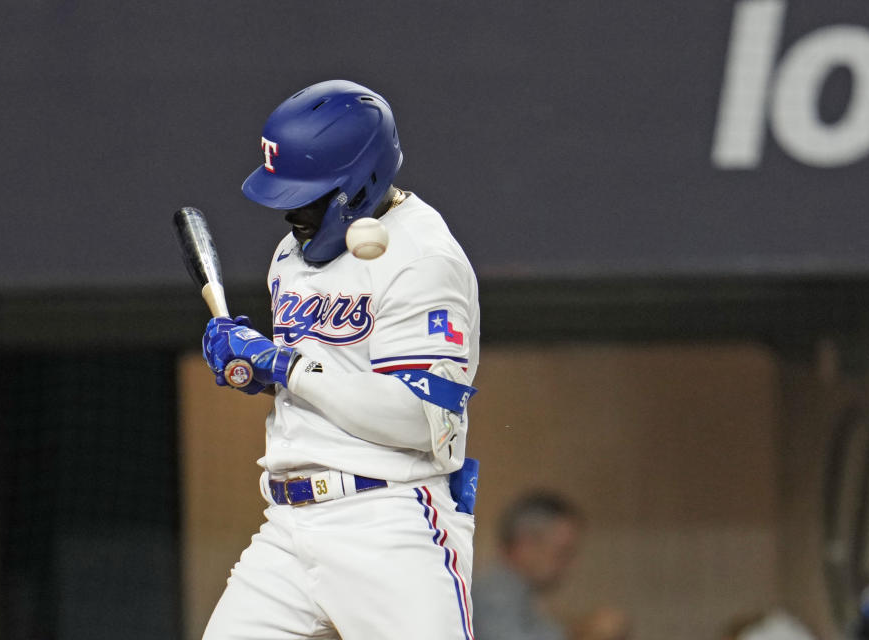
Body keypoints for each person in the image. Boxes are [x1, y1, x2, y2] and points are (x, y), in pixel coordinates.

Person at [199, 79, 481, 640]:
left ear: (359, 182)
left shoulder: (424, 259)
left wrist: (284, 365)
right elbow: (326, 376)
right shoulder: (290, 254)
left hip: (388, 523)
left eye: (306, 196)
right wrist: (254, 370)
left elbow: (422, 421)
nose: (292, 215)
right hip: (287, 525)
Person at [472, 491, 587, 640]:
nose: (571, 564)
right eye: (562, 552)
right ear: (527, 545)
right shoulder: (493, 594)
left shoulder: (515, 595)